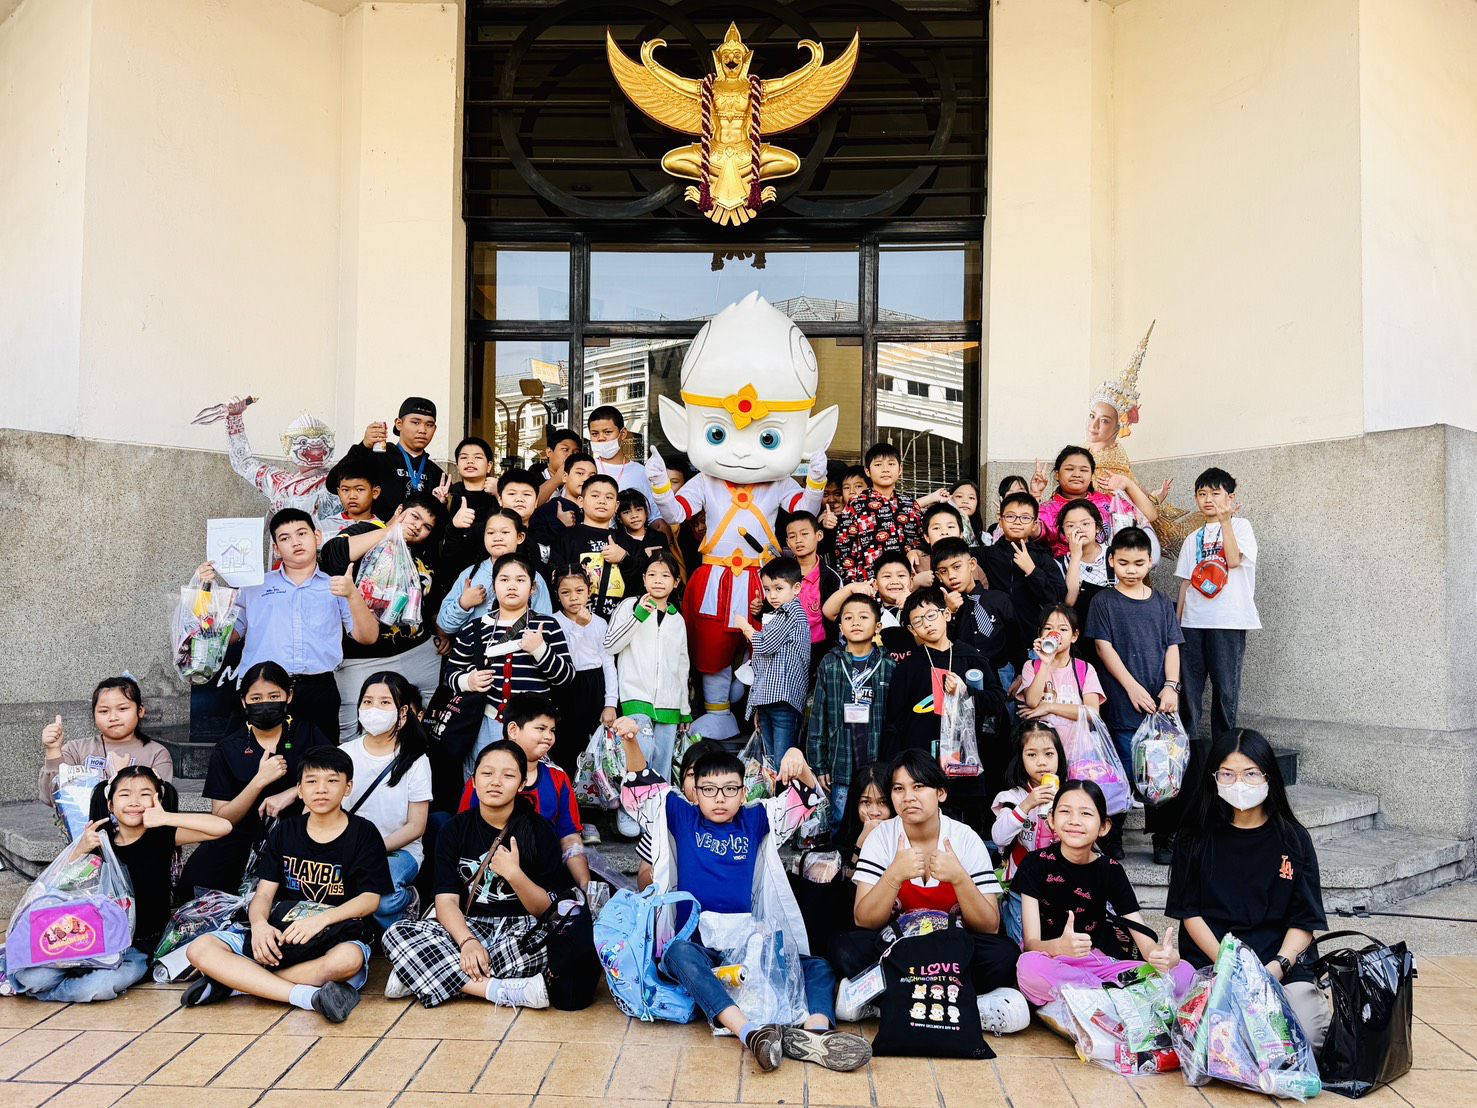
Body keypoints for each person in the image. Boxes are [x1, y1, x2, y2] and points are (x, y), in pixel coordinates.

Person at [615, 724, 872, 1074]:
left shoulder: (755, 818)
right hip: (701, 950)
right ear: (695, 794)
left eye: (730, 789)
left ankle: (815, 1034)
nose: (720, 799)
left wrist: (799, 762)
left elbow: (808, 797)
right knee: (676, 954)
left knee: (817, 966)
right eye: (709, 790)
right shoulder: (681, 815)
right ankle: (750, 1032)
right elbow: (642, 788)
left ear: (743, 793)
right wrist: (631, 741)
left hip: (750, 949)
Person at [182, 748, 393, 1023]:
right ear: (300, 790)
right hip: (282, 932)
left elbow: (369, 899)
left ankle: (237, 983)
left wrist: (320, 920)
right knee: (199, 949)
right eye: (312, 781)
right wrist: (259, 925)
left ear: (348, 788)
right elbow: (264, 894)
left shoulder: (364, 833)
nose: (321, 789)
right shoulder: (286, 830)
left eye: (332, 781)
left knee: (347, 961)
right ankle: (305, 996)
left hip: (335, 934)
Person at [383, 740, 597, 1011]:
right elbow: (446, 901)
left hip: (522, 929)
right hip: (470, 924)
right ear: (473, 781)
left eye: (508, 775)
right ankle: (498, 990)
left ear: (521, 784)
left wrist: (514, 874)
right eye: (487, 773)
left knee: (548, 947)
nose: (495, 782)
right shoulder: (454, 830)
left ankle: (420, 972)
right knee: (397, 933)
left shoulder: (539, 830)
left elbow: (546, 909)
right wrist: (467, 942)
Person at [834, 750, 1029, 1033]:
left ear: (941, 793)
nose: (908, 797)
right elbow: (864, 920)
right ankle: (963, 1003)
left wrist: (960, 879)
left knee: (1004, 954)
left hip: (951, 950)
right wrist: (894, 875)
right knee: (846, 948)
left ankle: (886, 1002)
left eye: (918, 786)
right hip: (897, 948)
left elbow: (989, 926)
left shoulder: (965, 838)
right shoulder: (881, 838)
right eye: (898, 789)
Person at [1167, 728, 1330, 1049]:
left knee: (1306, 1039)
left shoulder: (1294, 839)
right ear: (1214, 778)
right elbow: (1190, 913)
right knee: (1212, 1043)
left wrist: (1276, 968)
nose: (1239, 783)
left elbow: (1304, 921)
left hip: (1280, 966)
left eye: (1251, 774)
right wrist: (1228, 966)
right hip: (1214, 964)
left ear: (1269, 777)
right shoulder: (1193, 837)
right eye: (1227, 774)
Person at [13, 768, 231, 1003]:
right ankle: (60, 978)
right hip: (89, 938)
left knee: (95, 987)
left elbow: (222, 827)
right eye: (125, 794)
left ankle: (57, 990)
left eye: (145, 794)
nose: (134, 802)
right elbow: (59, 884)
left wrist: (167, 817)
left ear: (157, 798)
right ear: (110, 804)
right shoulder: (98, 840)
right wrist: (80, 849)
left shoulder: (162, 836)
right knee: (31, 977)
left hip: (137, 947)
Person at [198, 508, 379, 741]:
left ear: (317, 537)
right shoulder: (254, 585)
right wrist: (206, 591)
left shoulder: (337, 585)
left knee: (319, 758)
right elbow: (230, 636)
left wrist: (353, 594)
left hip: (318, 688)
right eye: (285, 538)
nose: (295, 542)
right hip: (262, 689)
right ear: (276, 549)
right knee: (248, 756)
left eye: (302, 533)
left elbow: (368, 637)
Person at [1014, 780, 1192, 1009]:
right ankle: (1116, 998)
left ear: (1104, 827)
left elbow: (1146, 946)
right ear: (1051, 819)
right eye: (1065, 811)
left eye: (1086, 813)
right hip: (1053, 961)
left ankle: (1092, 999)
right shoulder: (1035, 864)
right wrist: (1059, 947)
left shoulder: (1110, 869)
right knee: (1028, 967)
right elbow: (1031, 944)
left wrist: (1166, 957)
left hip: (1101, 964)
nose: (1074, 820)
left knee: (1184, 972)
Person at [179, 661, 333, 896]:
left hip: (299, 838)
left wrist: (295, 791)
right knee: (197, 886)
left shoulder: (308, 734)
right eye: (256, 698)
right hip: (239, 843)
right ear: (244, 701)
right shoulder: (228, 748)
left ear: (289, 696)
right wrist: (259, 781)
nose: (265, 704)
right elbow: (222, 817)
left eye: (274, 696)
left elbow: (336, 773)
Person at [1085, 526, 1184, 864]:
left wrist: (1171, 685)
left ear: (1150, 562)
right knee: (1122, 772)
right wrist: (1131, 687)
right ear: (1111, 560)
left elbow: (1172, 646)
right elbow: (1103, 647)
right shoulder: (1103, 601)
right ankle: (1112, 837)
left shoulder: (1161, 602)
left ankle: (1163, 838)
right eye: (1124, 562)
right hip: (1122, 703)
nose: (1131, 570)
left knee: (1163, 772)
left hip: (1160, 705)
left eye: (1138, 563)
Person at [320, 495, 449, 740]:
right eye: (414, 517)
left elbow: (430, 603)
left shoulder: (422, 554)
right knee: (352, 730)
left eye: (426, 527)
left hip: (417, 652)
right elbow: (334, 554)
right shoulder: (365, 530)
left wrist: (440, 631)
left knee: (429, 724)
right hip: (361, 657)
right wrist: (390, 531)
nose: (417, 527)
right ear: (400, 509)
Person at [880, 587, 1006, 825]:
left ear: (946, 614)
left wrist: (966, 692)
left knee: (965, 828)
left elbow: (997, 701)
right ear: (911, 630)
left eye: (931, 615)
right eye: (918, 621)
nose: (927, 624)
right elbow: (895, 722)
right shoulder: (907, 668)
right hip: (921, 766)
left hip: (965, 763)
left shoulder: (971, 657)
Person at [444, 552, 573, 765]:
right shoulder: (475, 628)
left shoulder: (547, 625)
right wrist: (468, 681)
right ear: (494, 586)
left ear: (532, 588)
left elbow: (566, 677)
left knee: (530, 778)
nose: (512, 586)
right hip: (487, 722)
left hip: (534, 726)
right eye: (504, 580)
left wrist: (540, 650)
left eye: (520, 580)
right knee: (487, 775)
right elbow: (450, 673)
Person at [455, 695, 591, 891]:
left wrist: (585, 885)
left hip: (544, 876)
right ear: (513, 730)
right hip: (489, 877)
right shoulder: (483, 779)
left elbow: (569, 837)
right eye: (540, 728)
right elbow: (463, 832)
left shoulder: (558, 778)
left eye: (552, 730)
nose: (549, 736)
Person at [1086, 322, 1201, 549]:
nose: (1094, 425)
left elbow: (1138, 500)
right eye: (1092, 416)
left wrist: (1155, 497)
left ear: (1118, 427)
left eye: (1105, 420)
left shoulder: (1117, 461)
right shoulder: (1078, 456)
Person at [602, 554, 691, 833]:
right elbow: (610, 644)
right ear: (643, 579)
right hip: (635, 696)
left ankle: (657, 816)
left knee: (662, 762)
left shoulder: (678, 619)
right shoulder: (630, 606)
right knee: (639, 754)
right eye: (652, 574)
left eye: (665, 575)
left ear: (676, 582)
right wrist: (639, 615)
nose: (658, 581)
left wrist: (685, 709)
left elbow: (682, 665)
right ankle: (630, 811)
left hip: (669, 702)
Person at [340, 673, 433, 931]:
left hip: (399, 850)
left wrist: (371, 850)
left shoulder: (416, 761)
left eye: (384, 702)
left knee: (382, 897)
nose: (373, 709)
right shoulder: (344, 753)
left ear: (402, 713)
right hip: (347, 848)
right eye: (367, 702)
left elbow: (416, 826)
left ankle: (405, 916)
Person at [1175, 468, 1259, 741]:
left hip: (1228, 620)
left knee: (1225, 689)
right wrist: (1176, 626)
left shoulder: (1241, 527)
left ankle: (1224, 747)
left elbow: (1233, 561)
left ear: (1230, 497)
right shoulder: (1192, 538)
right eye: (1202, 494)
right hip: (1192, 622)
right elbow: (1186, 583)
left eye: (1215, 493)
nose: (1208, 499)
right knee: (1189, 689)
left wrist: (1225, 522)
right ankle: (1186, 746)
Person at [807, 593, 894, 828]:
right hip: (840, 759)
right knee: (838, 819)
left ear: (877, 627)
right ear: (841, 627)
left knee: (879, 819)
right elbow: (818, 718)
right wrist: (819, 765)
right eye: (848, 618)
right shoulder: (830, 663)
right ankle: (842, 852)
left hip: (877, 759)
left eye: (863, 617)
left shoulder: (888, 665)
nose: (855, 622)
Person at [976, 492, 1068, 687]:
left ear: (1034, 524)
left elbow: (1057, 599)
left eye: (1025, 517)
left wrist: (1032, 571)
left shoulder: (1043, 558)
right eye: (1010, 516)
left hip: (1033, 644)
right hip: (997, 647)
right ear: (1000, 520)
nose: (1017, 522)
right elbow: (952, 556)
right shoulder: (986, 555)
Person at [40, 675, 175, 804]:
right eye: (104, 711)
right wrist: (53, 750)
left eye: (122, 709)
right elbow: (53, 799)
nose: (113, 717)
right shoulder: (75, 750)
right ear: (94, 715)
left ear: (140, 711)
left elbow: (160, 802)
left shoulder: (156, 754)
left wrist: (121, 775)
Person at [990, 720, 1064, 943]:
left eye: (1049, 754)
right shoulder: (1012, 797)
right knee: (1022, 943)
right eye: (1031, 755)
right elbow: (999, 837)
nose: (1042, 762)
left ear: (1059, 756)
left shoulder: (1070, 794)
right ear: (1019, 759)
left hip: (1062, 882)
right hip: (1022, 884)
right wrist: (1026, 805)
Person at [833, 443, 945, 583]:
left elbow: (923, 543)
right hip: (870, 583)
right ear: (867, 471)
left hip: (910, 584)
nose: (885, 469)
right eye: (878, 465)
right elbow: (844, 548)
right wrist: (852, 585)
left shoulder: (910, 505)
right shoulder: (856, 505)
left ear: (900, 469)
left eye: (891, 464)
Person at [738, 555, 812, 767]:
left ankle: (784, 790)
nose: (772, 595)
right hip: (770, 700)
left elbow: (764, 645)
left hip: (784, 701)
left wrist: (745, 627)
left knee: (781, 763)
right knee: (771, 763)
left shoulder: (790, 612)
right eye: (767, 589)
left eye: (779, 588)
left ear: (796, 588)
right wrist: (758, 705)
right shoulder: (779, 614)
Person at [438, 509, 554, 636]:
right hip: (475, 647)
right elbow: (445, 626)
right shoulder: (469, 575)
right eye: (491, 532)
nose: (497, 538)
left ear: (520, 537)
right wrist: (464, 604)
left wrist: (506, 640)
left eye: (505, 532)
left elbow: (544, 626)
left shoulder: (533, 577)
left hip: (520, 647)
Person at [550, 567, 618, 783]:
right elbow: (565, 656)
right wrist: (579, 627)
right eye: (565, 592)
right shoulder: (554, 622)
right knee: (568, 744)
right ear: (557, 595)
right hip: (567, 686)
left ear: (589, 591)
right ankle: (568, 793)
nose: (573, 597)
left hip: (595, 684)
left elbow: (608, 663)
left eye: (579, 591)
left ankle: (598, 795)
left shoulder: (599, 622)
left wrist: (610, 703)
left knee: (597, 745)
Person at [1030, 445, 1158, 558]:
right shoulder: (1046, 510)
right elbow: (1030, 530)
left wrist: (1128, 484)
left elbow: (1150, 516)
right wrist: (1035, 495)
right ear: (1057, 475)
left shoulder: (1107, 500)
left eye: (1084, 470)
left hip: (1112, 573)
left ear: (1091, 476)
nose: (1077, 474)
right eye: (1069, 469)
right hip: (1068, 575)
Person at [328, 396, 445, 518]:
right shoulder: (377, 457)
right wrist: (363, 447)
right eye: (415, 422)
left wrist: (443, 504)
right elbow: (332, 484)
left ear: (435, 429)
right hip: (377, 529)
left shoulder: (437, 474)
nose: (422, 430)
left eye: (429, 425)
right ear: (399, 424)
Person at [553, 473, 647, 620]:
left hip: (619, 623)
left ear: (616, 506)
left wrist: (624, 558)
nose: (602, 501)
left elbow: (645, 579)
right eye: (595, 496)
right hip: (576, 622)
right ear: (581, 501)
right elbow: (555, 577)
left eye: (609, 497)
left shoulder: (627, 541)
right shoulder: (567, 537)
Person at [930, 536, 1012, 671]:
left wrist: (1020, 672)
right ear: (939, 576)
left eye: (957, 567)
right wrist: (950, 613)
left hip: (1001, 671)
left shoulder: (999, 599)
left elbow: (1015, 638)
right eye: (944, 571)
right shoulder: (940, 608)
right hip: (961, 672)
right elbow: (941, 644)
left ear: (972, 564)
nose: (951, 576)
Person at [783, 511, 842, 678]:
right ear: (787, 542)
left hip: (821, 650)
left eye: (804, 534)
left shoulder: (831, 578)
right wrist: (758, 609)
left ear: (819, 535)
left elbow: (837, 618)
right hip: (788, 650)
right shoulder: (782, 575)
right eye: (792, 536)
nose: (798, 540)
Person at [1057, 498, 1112, 668]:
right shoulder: (1059, 563)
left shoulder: (1114, 556)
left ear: (1098, 527)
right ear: (1063, 532)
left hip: (1114, 638)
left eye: (1085, 523)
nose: (1078, 529)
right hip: (1080, 643)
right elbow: (1069, 601)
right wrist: (1075, 556)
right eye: (1070, 525)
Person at [439, 436, 501, 581]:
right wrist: (440, 504)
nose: (470, 461)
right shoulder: (449, 496)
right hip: (454, 576)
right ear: (457, 465)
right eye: (464, 457)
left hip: (493, 575)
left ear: (489, 466)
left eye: (477, 457)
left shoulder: (498, 498)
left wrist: (501, 494)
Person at [587, 404, 658, 516]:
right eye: (594, 434)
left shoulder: (641, 472)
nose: (601, 438)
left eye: (607, 432)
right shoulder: (586, 470)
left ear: (623, 434)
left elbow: (654, 516)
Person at [529, 451, 594, 551]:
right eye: (580, 473)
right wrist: (559, 525)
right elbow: (536, 547)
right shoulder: (549, 509)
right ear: (564, 477)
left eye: (592, 476)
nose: (586, 479)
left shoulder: (599, 510)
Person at [319, 456, 382, 541]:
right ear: (339, 493)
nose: (352, 496)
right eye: (345, 490)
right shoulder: (325, 526)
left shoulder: (381, 529)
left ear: (375, 492)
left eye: (359, 489)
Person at [616, 487, 671, 563]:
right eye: (627, 512)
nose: (634, 516)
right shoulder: (618, 540)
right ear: (619, 518)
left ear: (646, 512)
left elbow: (668, 565)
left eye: (638, 510)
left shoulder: (659, 537)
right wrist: (646, 555)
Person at [949, 479, 984, 545]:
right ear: (949, 498)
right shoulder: (942, 531)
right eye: (959, 496)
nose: (965, 501)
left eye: (971, 498)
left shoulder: (984, 537)